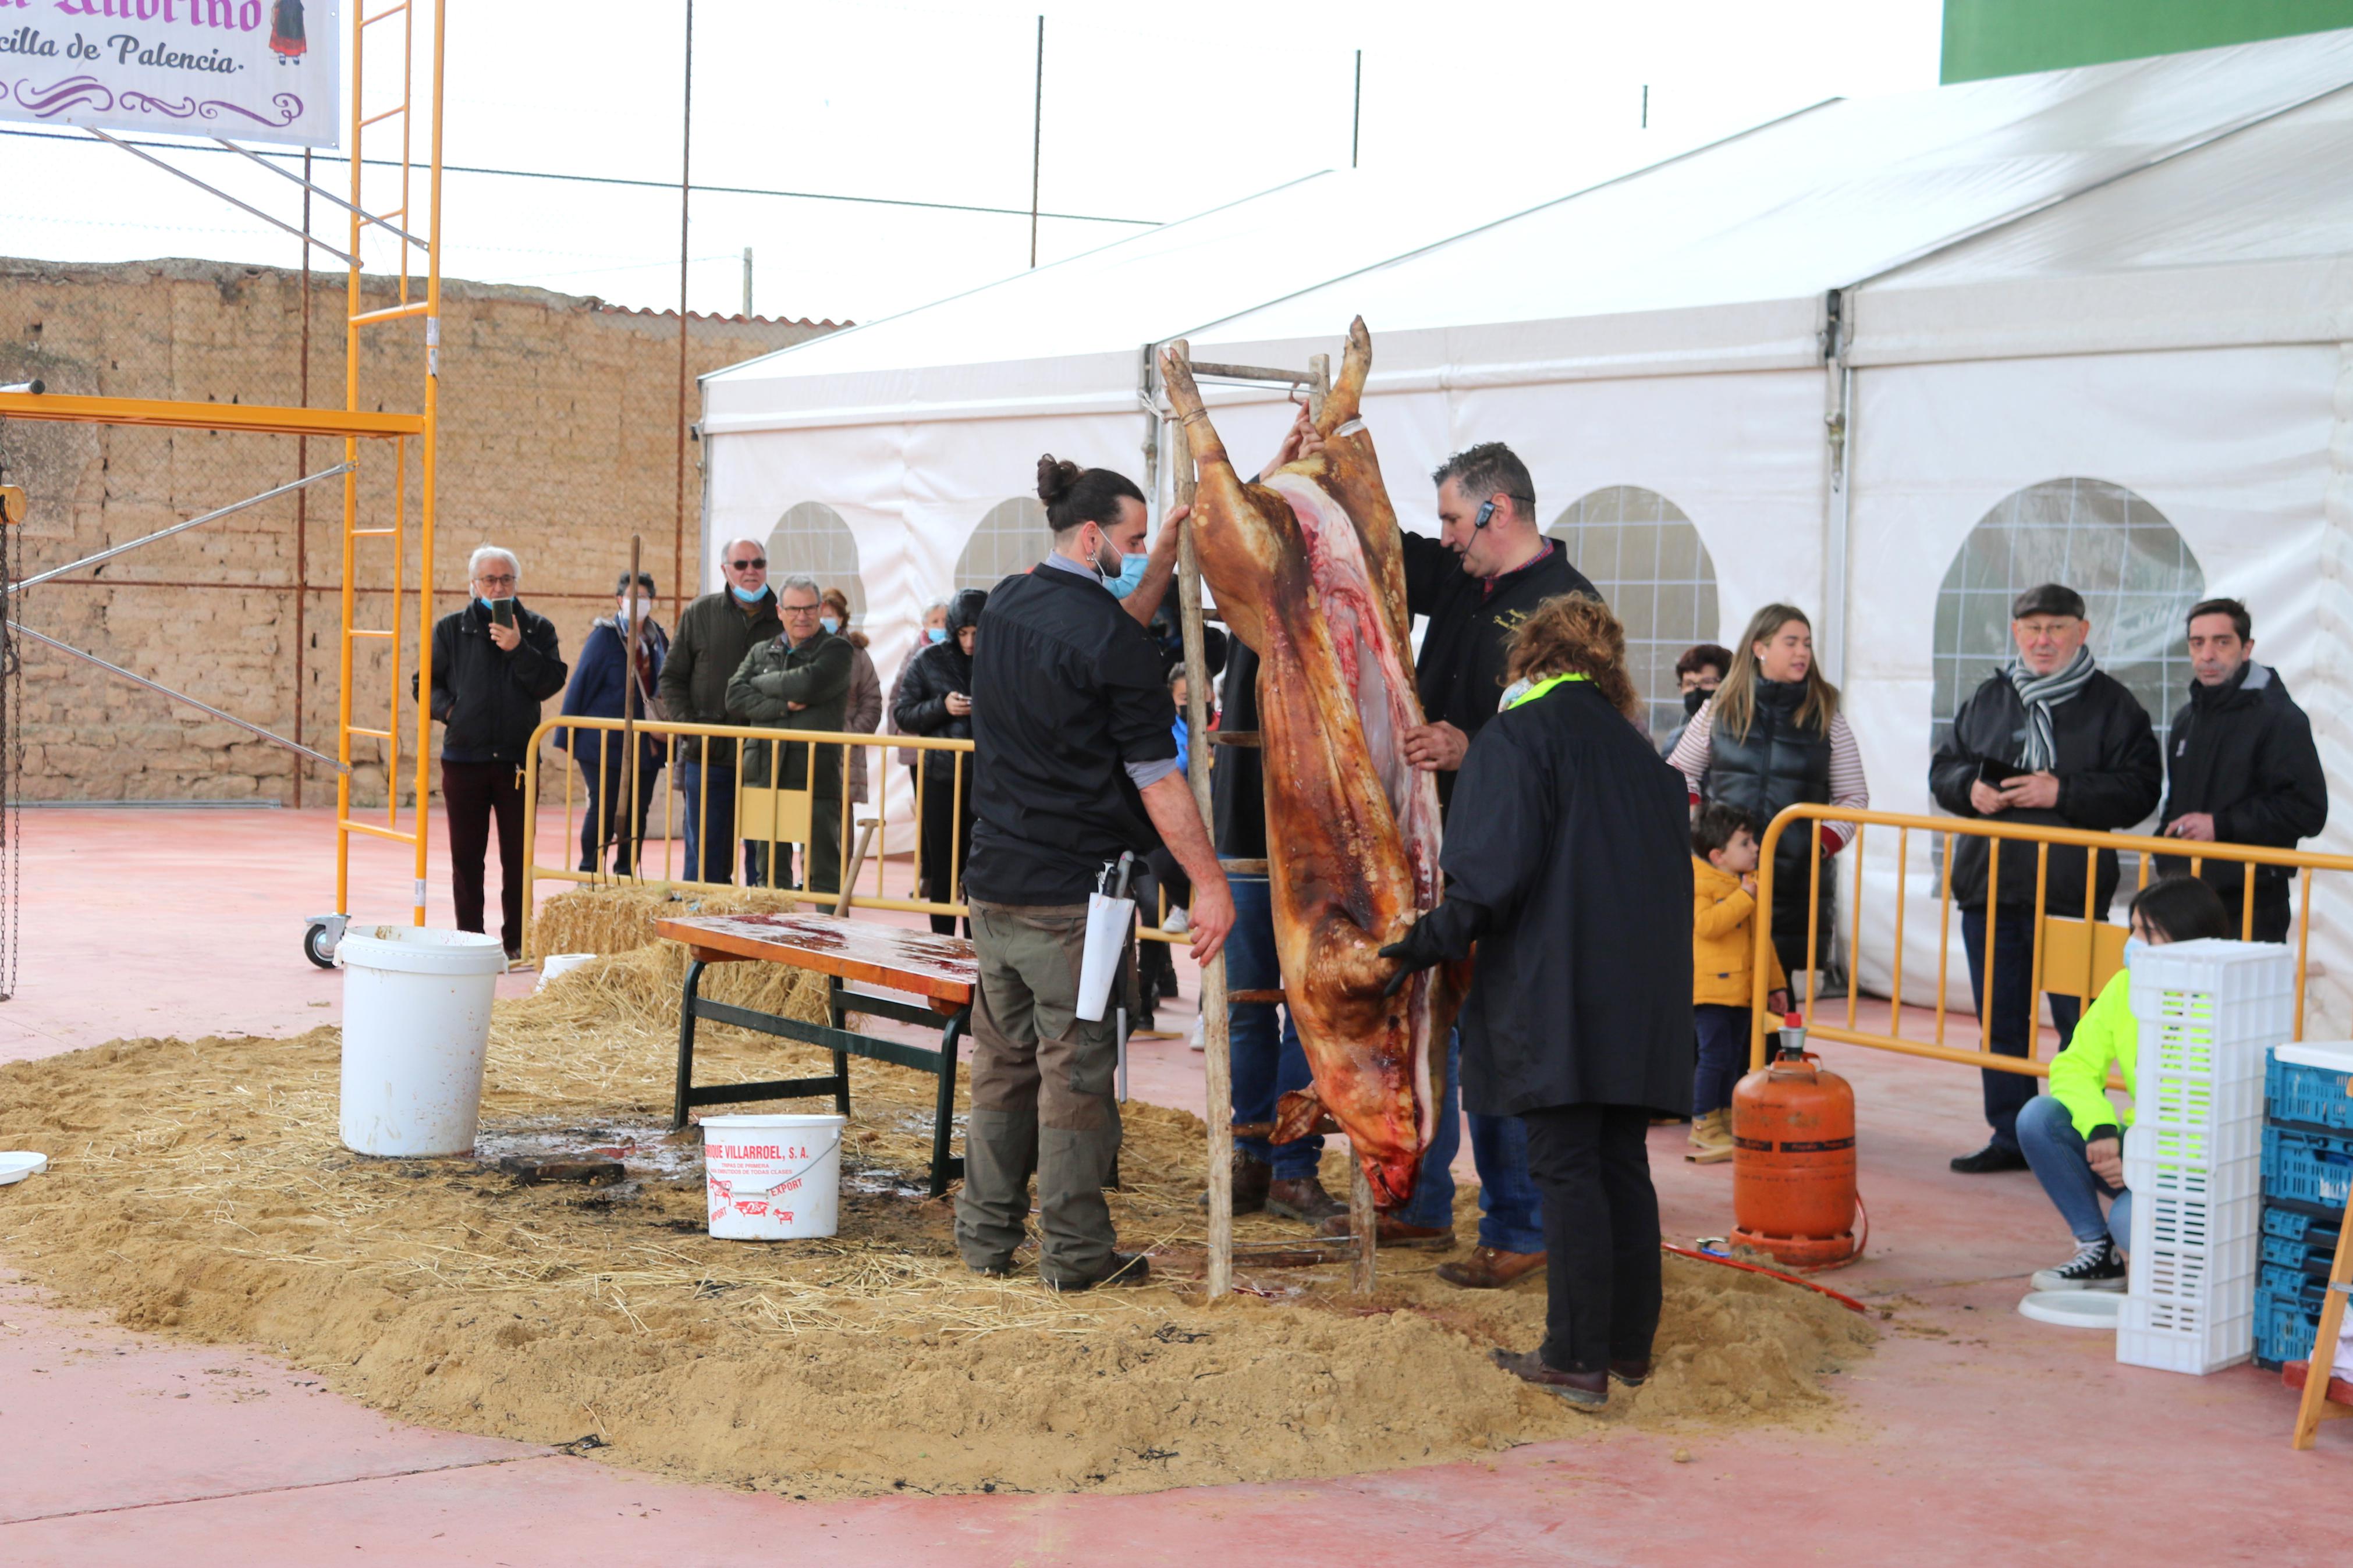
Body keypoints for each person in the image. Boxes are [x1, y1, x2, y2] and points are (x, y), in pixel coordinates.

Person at [1379, 593, 1692, 1410]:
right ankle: (1625, 1347)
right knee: (1620, 1165)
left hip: (1555, 999)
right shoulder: (1646, 762)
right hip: (1642, 1002)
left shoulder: (1516, 737)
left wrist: (1424, 941)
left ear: (1528, 661)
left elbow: (1490, 875)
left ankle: (1573, 1356)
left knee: (1565, 1170)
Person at [955, 454, 1230, 1292]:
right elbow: (1157, 776)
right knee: (1073, 1072)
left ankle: (984, 1236)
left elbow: (1107, 638)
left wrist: (1168, 556)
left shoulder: (1005, 601)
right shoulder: (1107, 639)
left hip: (993, 881)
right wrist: (1208, 883)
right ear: (1090, 538)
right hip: (1067, 896)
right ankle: (1074, 1255)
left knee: (1000, 1066)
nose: (1141, 553)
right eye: (1134, 539)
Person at [1372, 436, 1600, 1289]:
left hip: (1519, 857)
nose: (1439, 538)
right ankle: (1423, 1198)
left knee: (1492, 1038)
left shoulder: (1565, 606)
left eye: (1447, 519)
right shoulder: (1464, 579)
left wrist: (1473, 746)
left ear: (1492, 510)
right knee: (1433, 1019)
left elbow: (1578, 733)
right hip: (1446, 839)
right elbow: (1379, 547)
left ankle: (1518, 1221)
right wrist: (1318, 457)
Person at [1930, 582, 2162, 1174]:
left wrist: (2062, 790)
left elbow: (2140, 788)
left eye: (2056, 628)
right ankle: (2009, 1133)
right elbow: (1944, 766)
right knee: (1998, 1019)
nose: (2042, 639)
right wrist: (1968, 788)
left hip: (2070, 892)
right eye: (2031, 628)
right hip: (1990, 885)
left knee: (2078, 1027)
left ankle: (2074, 1135)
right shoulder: (1988, 697)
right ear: (2014, 633)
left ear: (2081, 633)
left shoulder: (2114, 706)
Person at [2017, 876, 2233, 1292]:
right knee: (2039, 1118)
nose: (2132, 942)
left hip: (2193, 1165)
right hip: (2140, 1145)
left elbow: (2206, 1119)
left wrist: (2137, 1158)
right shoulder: (2125, 986)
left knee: (2128, 1222)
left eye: (2146, 932)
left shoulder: (2223, 1004)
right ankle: (2097, 1252)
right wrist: (2100, 1127)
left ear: (2188, 939)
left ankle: (2205, 1274)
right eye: (2132, 927)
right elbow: (2074, 1064)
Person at [1211, 630, 1345, 1225]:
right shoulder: (1259, 611)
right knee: (1261, 1007)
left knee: (1297, 1010)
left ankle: (1284, 1165)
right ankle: (1260, 1156)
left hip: (1302, 843)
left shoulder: (1300, 609)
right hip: (1259, 839)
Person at [1669, 605, 1869, 988]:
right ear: (1759, 648)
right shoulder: (1719, 708)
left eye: (1807, 644)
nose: (1802, 653)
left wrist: (1819, 844)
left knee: (1777, 999)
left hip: (1793, 881)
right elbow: (1680, 775)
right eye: (1790, 642)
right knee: (1719, 998)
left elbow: (1852, 796)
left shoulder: (1826, 714)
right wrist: (1705, 833)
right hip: (1721, 882)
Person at [2156, 598, 2327, 943]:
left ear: (2246, 648)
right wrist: (2166, 850)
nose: (2207, 655)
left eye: (2222, 642)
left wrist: (2221, 825)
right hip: (2184, 900)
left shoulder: (2280, 718)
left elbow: (2307, 810)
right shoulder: (2187, 718)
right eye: (2197, 643)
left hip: (2252, 904)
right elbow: (2176, 801)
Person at [428, 546, 566, 961]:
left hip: (516, 763)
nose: (498, 586)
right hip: (464, 761)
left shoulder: (537, 628)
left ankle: (517, 939)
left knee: (518, 857)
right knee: (467, 859)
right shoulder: (451, 629)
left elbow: (549, 683)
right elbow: (426, 684)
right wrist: (453, 712)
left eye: (506, 579)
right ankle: (471, 939)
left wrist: (519, 648)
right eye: (489, 579)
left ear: (516, 583)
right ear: (473, 585)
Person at [657, 539, 780, 884]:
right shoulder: (701, 613)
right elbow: (672, 678)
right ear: (725, 570)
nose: (751, 571)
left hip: (767, 756)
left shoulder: (784, 617)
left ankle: (760, 931)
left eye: (758, 563)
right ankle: (702, 928)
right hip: (708, 755)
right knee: (705, 857)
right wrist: (691, 729)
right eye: (741, 565)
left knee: (764, 860)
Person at [728, 575, 853, 895]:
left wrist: (761, 682)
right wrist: (783, 706)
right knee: (769, 876)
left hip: (814, 775)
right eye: (794, 609)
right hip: (764, 772)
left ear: (821, 609)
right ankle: (771, 940)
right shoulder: (761, 651)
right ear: (780, 611)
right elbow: (734, 697)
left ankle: (828, 941)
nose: (802, 616)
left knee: (824, 873)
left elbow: (808, 683)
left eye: (809, 608)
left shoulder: (837, 650)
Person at [1687, 803, 1790, 1165]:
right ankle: (1703, 1122)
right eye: (1746, 843)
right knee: (1713, 1058)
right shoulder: (1702, 883)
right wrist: (1744, 898)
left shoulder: (1747, 886)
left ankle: (1727, 1116)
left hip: (1742, 991)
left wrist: (1775, 987)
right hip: (1711, 990)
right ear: (1718, 855)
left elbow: (1764, 941)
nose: (1756, 848)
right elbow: (1707, 925)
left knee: (1733, 1058)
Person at [552, 570, 668, 877]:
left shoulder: (659, 640)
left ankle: (626, 872)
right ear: (620, 600)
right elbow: (581, 684)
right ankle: (589, 871)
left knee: (637, 812)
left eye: (643, 597)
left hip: (647, 742)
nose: (638, 602)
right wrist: (566, 736)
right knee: (603, 808)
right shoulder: (605, 637)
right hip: (603, 742)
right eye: (632, 597)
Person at [895, 588, 985, 935]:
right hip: (940, 778)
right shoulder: (927, 659)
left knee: (979, 870)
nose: (970, 641)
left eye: (977, 633)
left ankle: (978, 950)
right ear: (953, 630)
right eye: (963, 633)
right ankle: (942, 947)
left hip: (987, 780)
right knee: (944, 871)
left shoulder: (1001, 656)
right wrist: (941, 707)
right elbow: (903, 713)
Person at [821, 586, 883, 816]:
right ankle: (810, 855)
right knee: (810, 809)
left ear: (841, 618)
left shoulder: (857, 655)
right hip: (810, 741)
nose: (824, 620)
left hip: (846, 746)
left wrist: (854, 733)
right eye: (821, 615)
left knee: (841, 810)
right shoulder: (804, 649)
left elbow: (872, 700)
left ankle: (842, 855)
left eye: (830, 616)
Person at [1658, 642, 1732, 760]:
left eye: (1707, 682)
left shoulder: (1737, 739)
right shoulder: (1675, 739)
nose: (1696, 690)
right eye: (1689, 684)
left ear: (1728, 685)